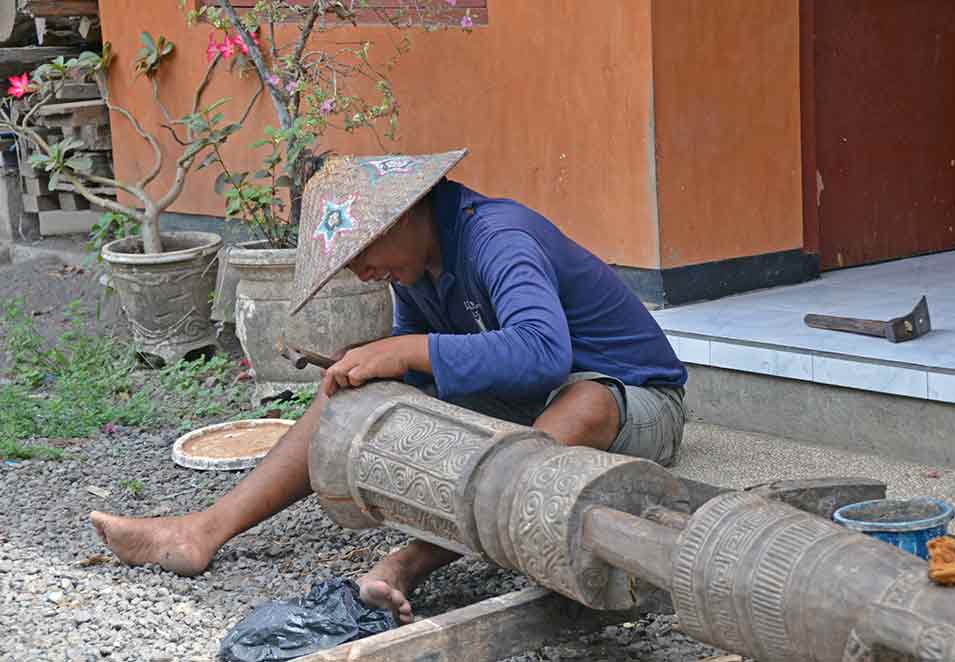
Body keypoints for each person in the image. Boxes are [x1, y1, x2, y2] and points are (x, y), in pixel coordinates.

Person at [90, 149, 687, 624]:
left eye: (360, 253)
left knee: (581, 406)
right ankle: (200, 531)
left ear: (404, 216)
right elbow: (425, 367)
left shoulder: (499, 238)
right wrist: (374, 371)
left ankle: (406, 564)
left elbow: (543, 353)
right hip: (529, 403)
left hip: (631, 397)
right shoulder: (415, 266)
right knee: (351, 389)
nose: (359, 272)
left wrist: (403, 351)